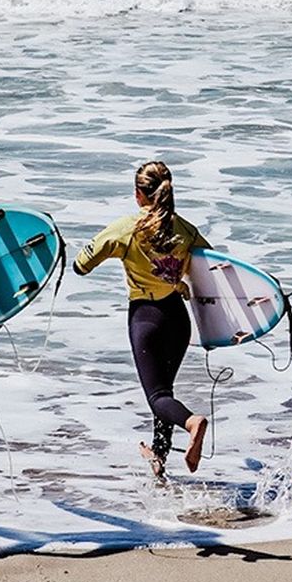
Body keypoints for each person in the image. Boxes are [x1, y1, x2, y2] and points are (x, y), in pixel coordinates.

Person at [74, 161, 211, 477]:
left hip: (146, 320)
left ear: (138, 194)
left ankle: (192, 422)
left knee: (158, 396)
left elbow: (82, 264)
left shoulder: (126, 229)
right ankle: (159, 459)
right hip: (178, 319)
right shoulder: (186, 231)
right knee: (164, 390)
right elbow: (214, 271)